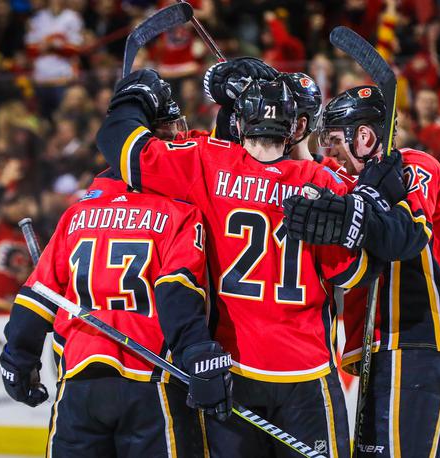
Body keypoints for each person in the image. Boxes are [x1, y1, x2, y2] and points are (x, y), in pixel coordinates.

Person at [97, 59, 406, 457]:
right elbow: (353, 273)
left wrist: (134, 96)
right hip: (305, 372)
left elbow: (122, 148)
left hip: (229, 368)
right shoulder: (322, 182)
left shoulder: (206, 161)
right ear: (296, 127)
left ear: (239, 124)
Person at [283, 85, 440, 457]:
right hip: (390, 343)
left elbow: (403, 237)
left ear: (365, 136)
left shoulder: (414, 166)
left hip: (416, 339)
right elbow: (309, 171)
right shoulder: (358, 180)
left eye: (334, 139)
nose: (329, 150)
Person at [0, 166, 228, 455]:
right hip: (151, 379)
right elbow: (178, 294)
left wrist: (18, 360)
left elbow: (36, 298)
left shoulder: (76, 215)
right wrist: (197, 354)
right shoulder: (179, 212)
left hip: (79, 382)